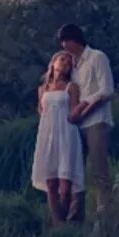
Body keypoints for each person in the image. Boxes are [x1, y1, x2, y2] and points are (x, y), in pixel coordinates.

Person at [54, 24, 115, 223]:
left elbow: (106, 91)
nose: (64, 46)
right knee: (74, 171)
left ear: (74, 40)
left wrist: (84, 109)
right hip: (77, 126)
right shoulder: (73, 65)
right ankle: (74, 218)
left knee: (99, 171)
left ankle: (104, 219)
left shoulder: (97, 57)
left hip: (96, 121)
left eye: (65, 41)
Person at [32, 51, 86, 223]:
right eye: (62, 60)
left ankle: (67, 221)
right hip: (48, 135)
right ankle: (58, 225)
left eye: (69, 62)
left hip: (66, 134)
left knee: (65, 186)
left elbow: (74, 113)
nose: (65, 63)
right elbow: (41, 112)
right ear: (53, 62)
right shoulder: (43, 89)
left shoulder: (71, 87)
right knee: (51, 185)